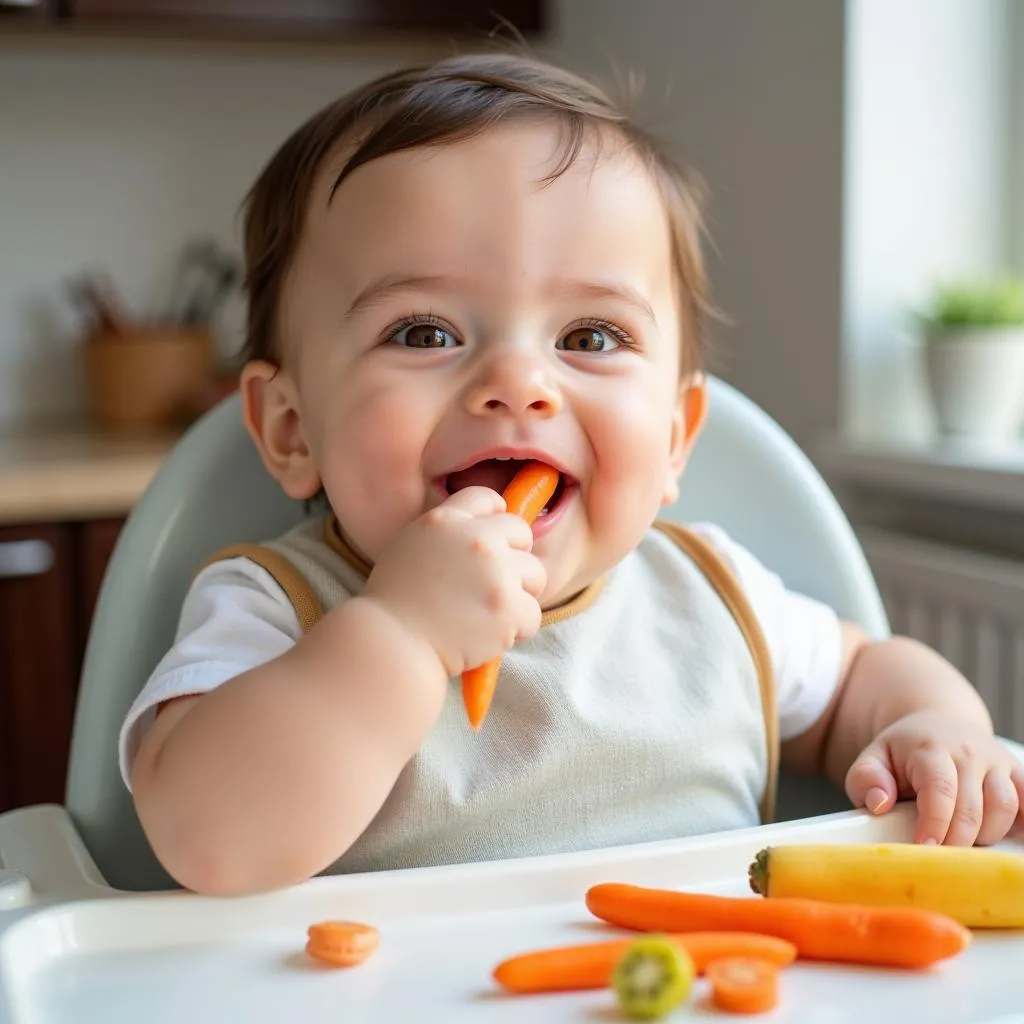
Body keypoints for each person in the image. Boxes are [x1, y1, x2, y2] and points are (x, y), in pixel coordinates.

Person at [118, 52, 1023, 897]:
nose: (518, 382)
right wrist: (399, 633)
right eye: (424, 332)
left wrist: (939, 728)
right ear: (290, 430)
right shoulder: (276, 612)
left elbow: (866, 674)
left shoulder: (714, 598)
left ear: (675, 436)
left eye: (590, 337)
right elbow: (209, 839)